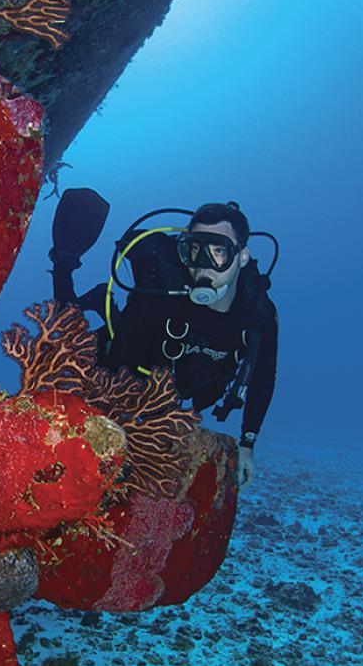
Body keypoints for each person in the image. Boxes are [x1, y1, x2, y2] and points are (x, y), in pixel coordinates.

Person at [49, 191, 277, 487]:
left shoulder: (258, 313)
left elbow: (263, 377)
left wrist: (248, 445)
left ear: (241, 257)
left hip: (179, 387)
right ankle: (64, 263)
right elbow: (119, 366)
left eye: (218, 252)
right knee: (68, 345)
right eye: (194, 250)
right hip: (127, 364)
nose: (203, 264)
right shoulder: (159, 295)